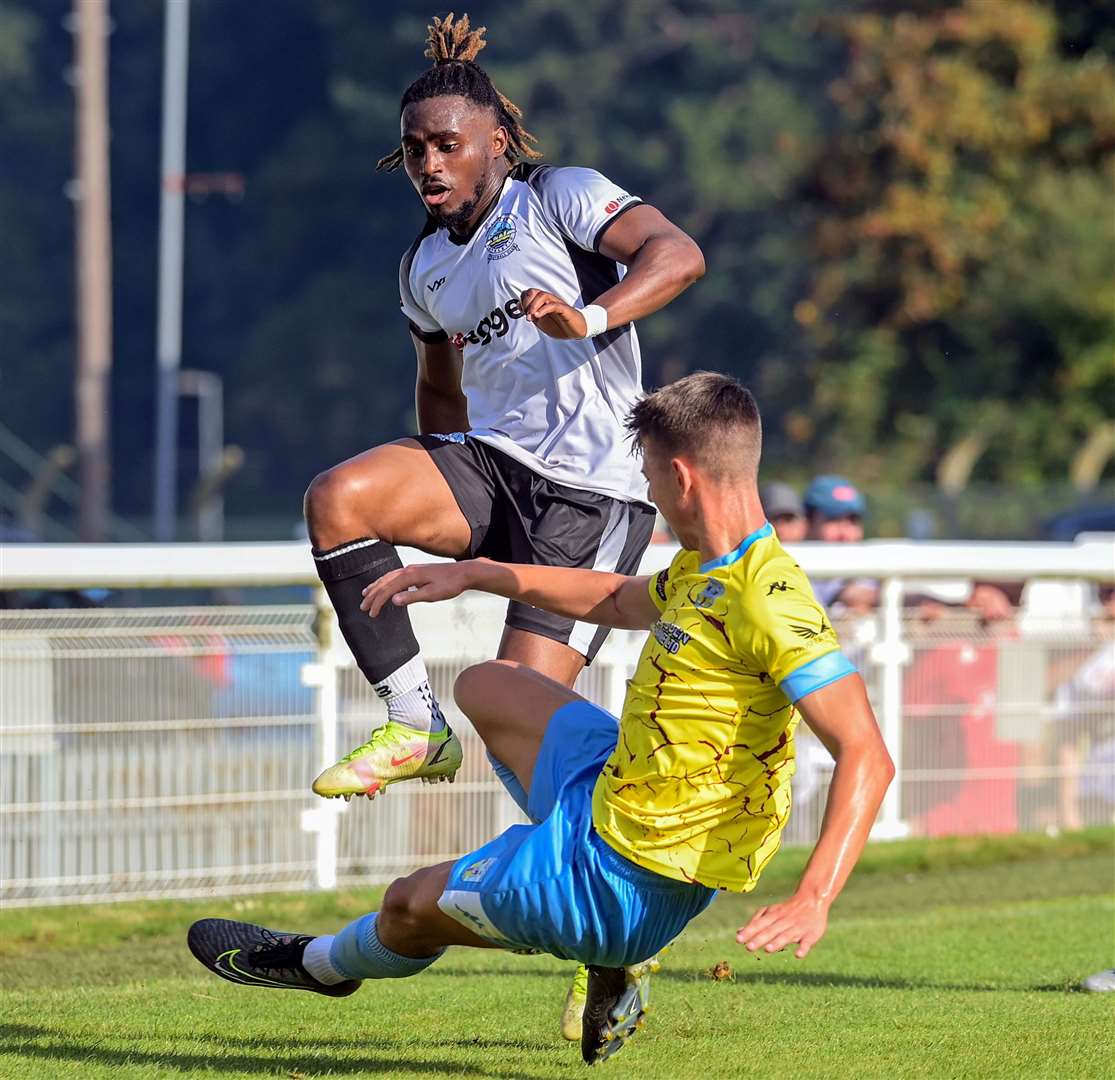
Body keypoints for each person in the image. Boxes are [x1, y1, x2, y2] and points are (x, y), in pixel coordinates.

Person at [188, 373, 895, 1064]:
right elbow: (618, 600)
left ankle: (320, 963)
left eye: (647, 475)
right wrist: (482, 572)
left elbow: (866, 751)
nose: (644, 491)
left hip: (621, 880)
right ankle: (584, 925)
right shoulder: (705, 567)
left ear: (680, 477)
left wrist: (814, 896)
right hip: (615, 793)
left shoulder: (770, 598)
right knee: (491, 685)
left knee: (405, 905)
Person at [305, 13, 704, 803]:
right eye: (416, 148)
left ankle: (623, 851)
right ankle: (415, 723)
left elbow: (679, 255)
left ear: (496, 142)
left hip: (591, 492)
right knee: (338, 499)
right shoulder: (423, 265)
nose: (428, 162)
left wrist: (588, 317)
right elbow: (441, 386)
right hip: (493, 464)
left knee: (516, 725)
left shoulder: (560, 197)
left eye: (447, 144)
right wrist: (441, 483)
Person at [803, 474, 878, 614]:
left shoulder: (876, 570)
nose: (845, 534)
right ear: (808, 522)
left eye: (853, 521)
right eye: (833, 520)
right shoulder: (789, 573)